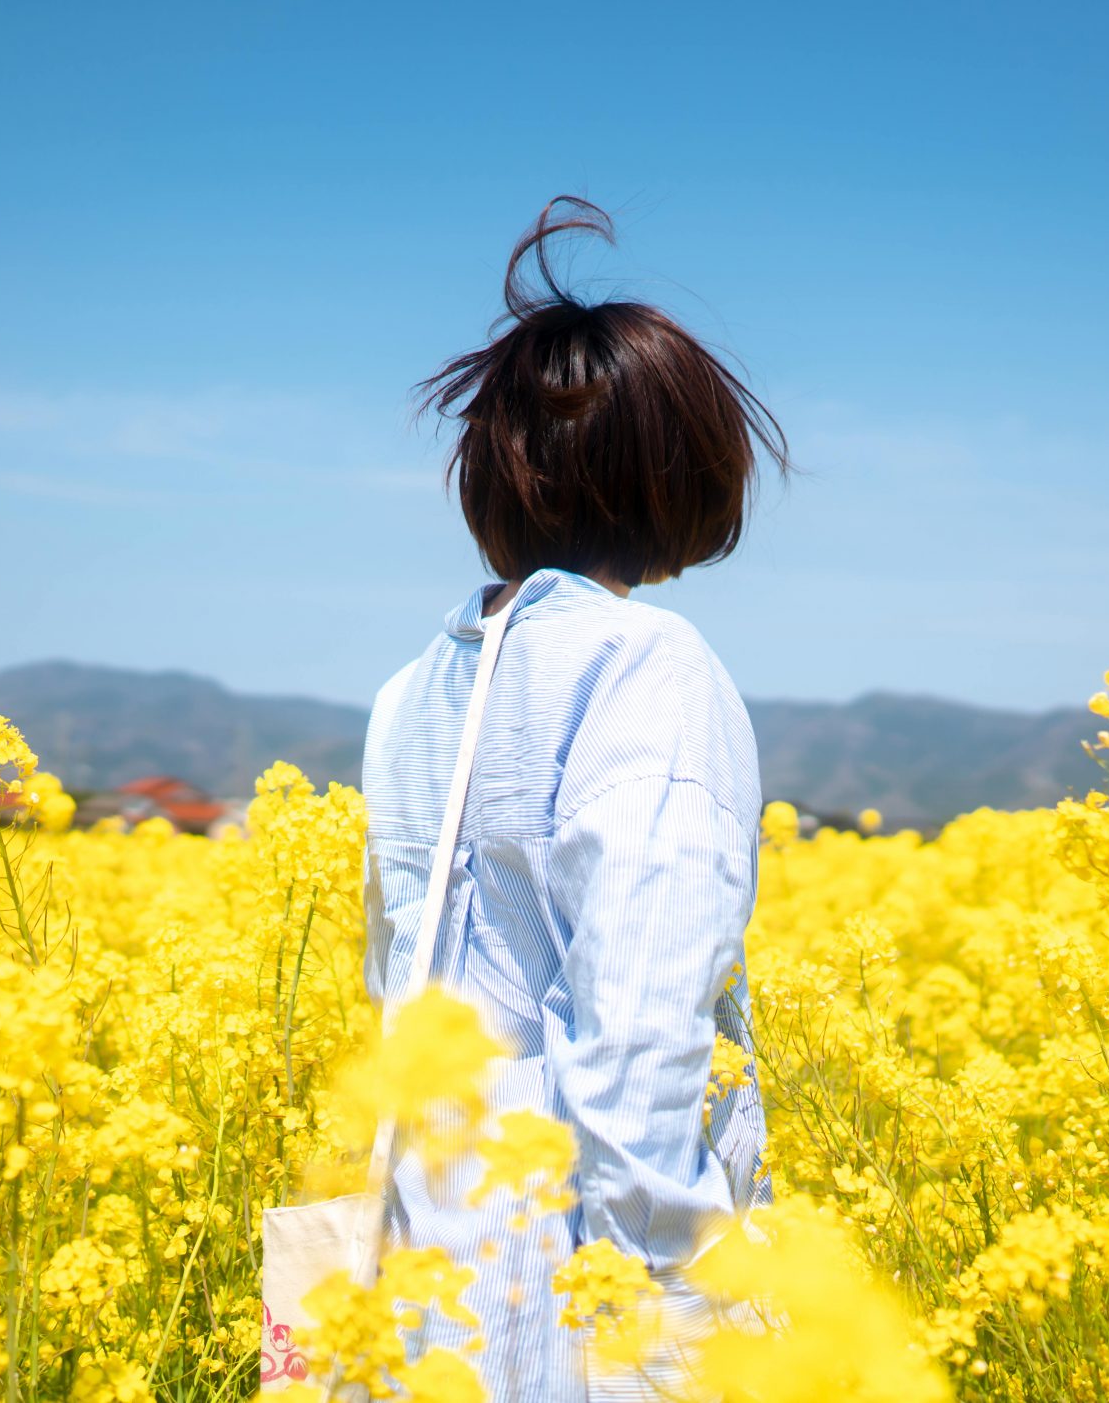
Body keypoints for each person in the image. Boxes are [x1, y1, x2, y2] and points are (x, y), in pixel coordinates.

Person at [362, 196, 789, 1397]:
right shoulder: (647, 664)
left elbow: (393, 990)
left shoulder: (409, 692)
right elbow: (640, 1023)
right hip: (574, 1279)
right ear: (683, 475)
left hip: (420, 1264)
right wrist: (674, 1306)